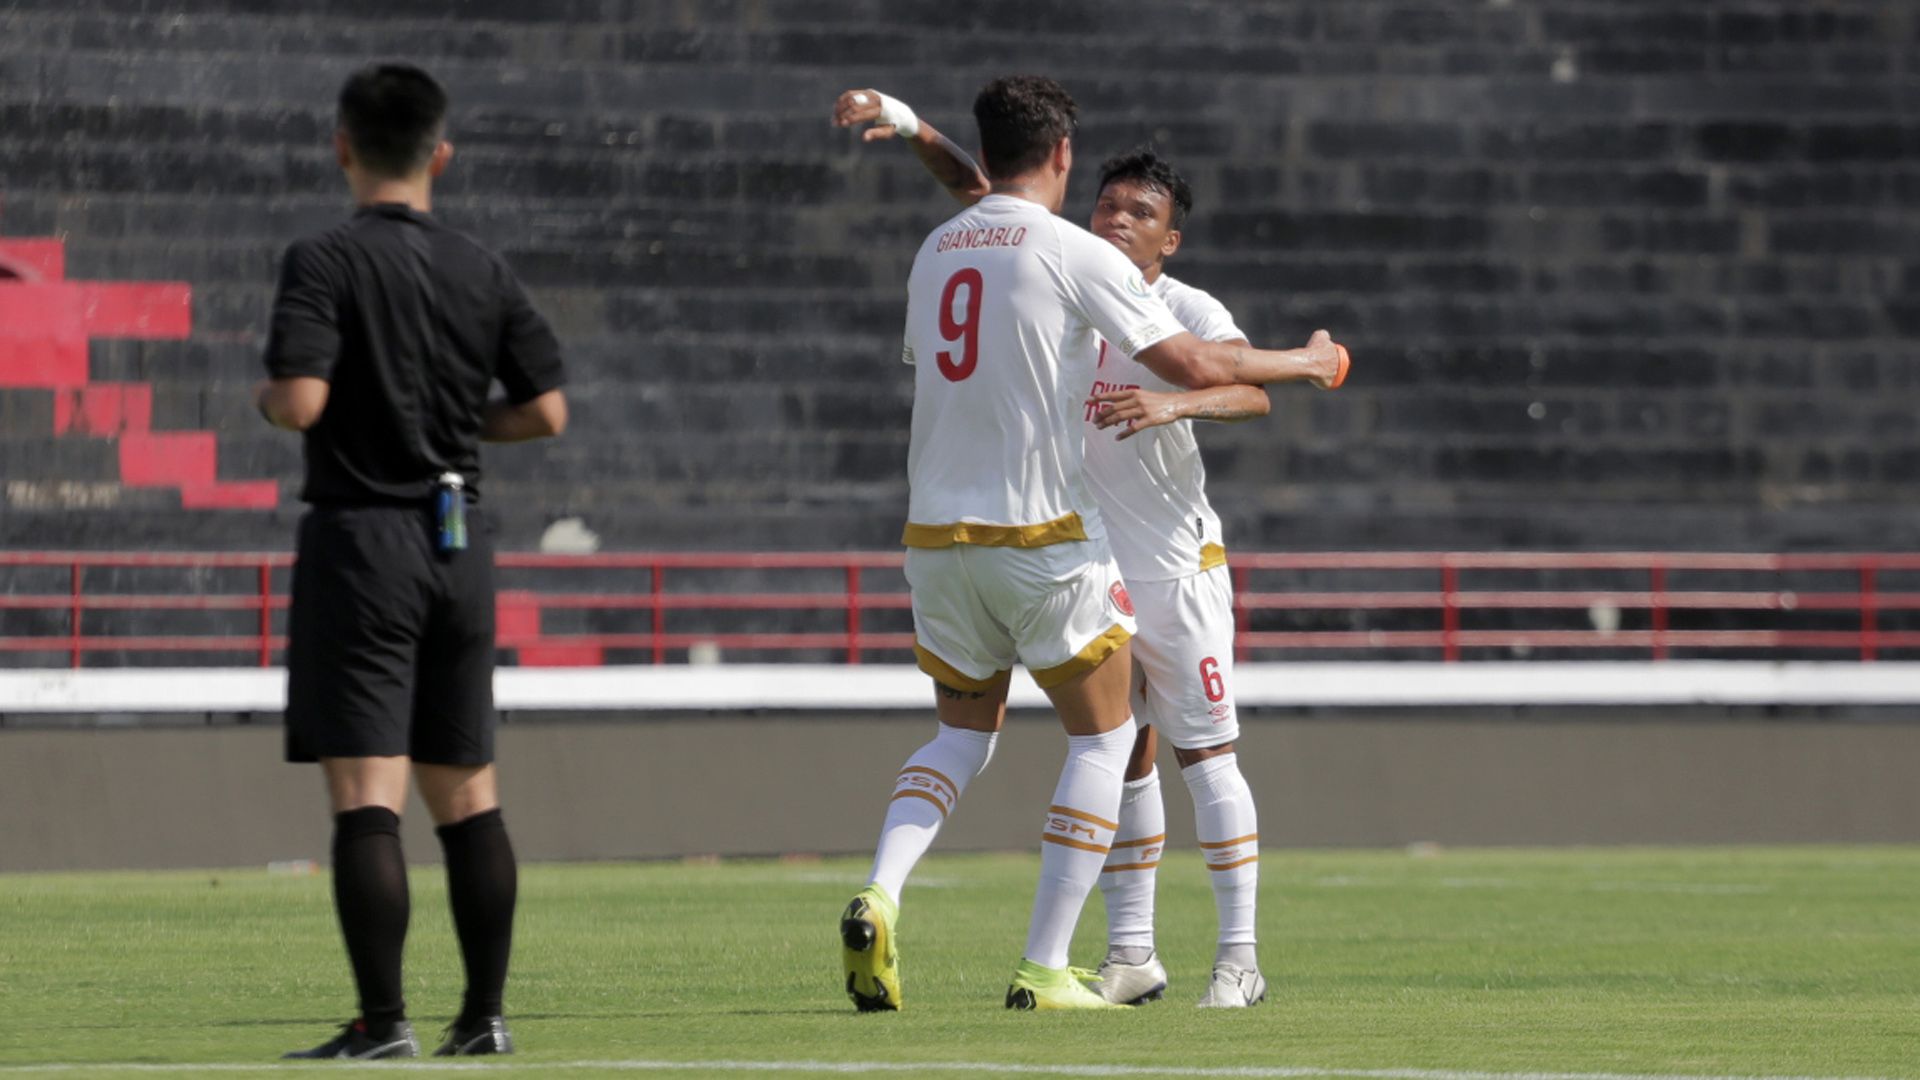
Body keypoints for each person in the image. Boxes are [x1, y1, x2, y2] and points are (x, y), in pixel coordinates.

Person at [832, 76, 1345, 1012]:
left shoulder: (1168, 298)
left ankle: (1238, 957)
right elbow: (995, 196)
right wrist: (1314, 359)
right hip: (1073, 550)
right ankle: (1126, 954)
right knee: (1123, 750)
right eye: (1107, 202)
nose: (1115, 219)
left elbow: (1235, 384)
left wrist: (1177, 403)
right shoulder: (1068, 262)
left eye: (1138, 212)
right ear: (1070, 173)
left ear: (1168, 238)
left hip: (1161, 560)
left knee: (1200, 756)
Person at [257, 62, 567, 1059]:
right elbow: (547, 410)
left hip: (362, 541)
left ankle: (382, 1024)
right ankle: (483, 1019)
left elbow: (301, 401)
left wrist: (277, 400)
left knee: (366, 796)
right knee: (469, 792)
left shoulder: (322, 260)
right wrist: (444, 424)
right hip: (456, 536)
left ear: (342, 146)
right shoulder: (481, 265)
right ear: (440, 153)